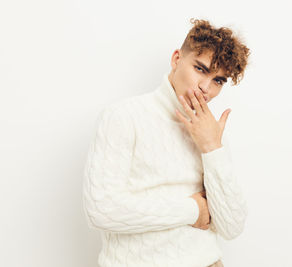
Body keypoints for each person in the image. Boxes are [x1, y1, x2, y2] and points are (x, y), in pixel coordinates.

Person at [82, 18, 250, 267]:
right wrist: (193, 210)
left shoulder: (212, 134)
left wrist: (211, 148)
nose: (206, 88)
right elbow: (101, 210)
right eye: (200, 69)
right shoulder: (124, 117)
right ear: (176, 59)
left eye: (218, 80)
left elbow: (232, 226)